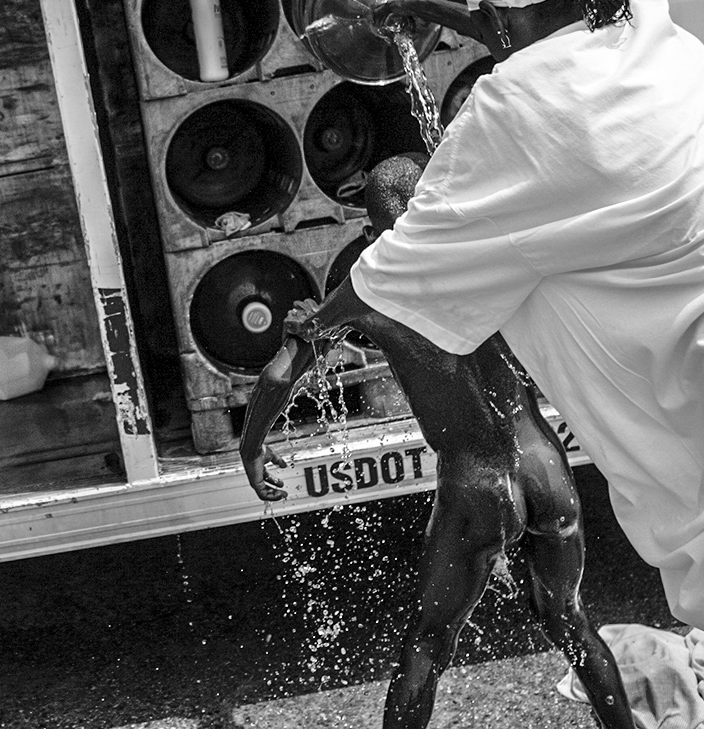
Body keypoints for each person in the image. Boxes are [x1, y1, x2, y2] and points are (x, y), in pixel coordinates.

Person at [247, 0, 704, 726]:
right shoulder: (655, 37)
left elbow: (373, 290)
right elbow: (535, 30)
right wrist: (438, 11)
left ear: (494, 12)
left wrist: (260, 417)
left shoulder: (510, 116)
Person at [241, 153, 635, 729]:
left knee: (426, 647)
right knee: (570, 620)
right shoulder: (495, 246)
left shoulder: (369, 284)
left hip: (478, 487)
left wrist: (252, 448)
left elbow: (282, 372)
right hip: (545, 469)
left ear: (372, 229)